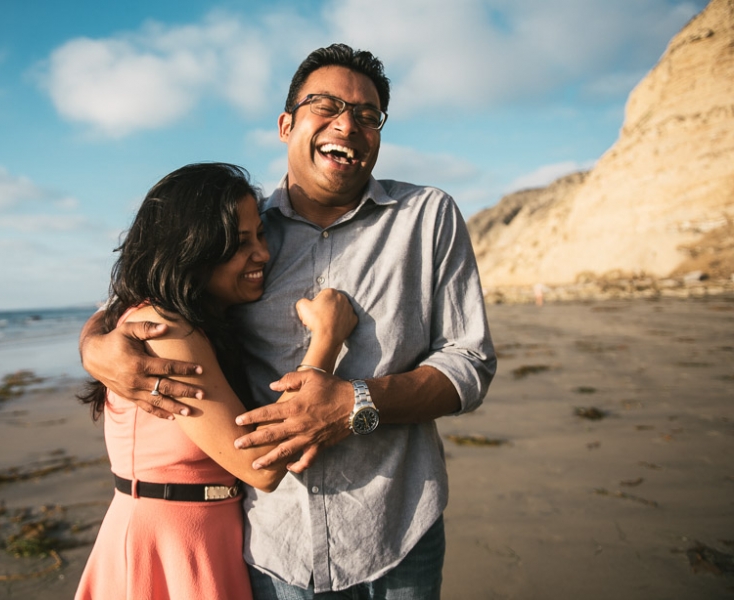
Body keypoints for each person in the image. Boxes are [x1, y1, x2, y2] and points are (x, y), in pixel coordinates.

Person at [80, 44, 497, 599]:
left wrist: (354, 404)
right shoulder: (241, 228)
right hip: (274, 546)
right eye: (326, 106)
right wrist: (95, 344)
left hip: (397, 530)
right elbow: (152, 293)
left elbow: (470, 361)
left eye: (368, 115)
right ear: (286, 125)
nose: (347, 125)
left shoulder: (426, 217)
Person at [74, 162, 357, 600]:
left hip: (206, 533)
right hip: (169, 543)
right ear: (192, 249)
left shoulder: (198, 321)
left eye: (260, 235)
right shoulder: (164, 328)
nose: (262, 254)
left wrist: (90, 338)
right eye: (239, 244)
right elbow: (259, 465)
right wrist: (327, 340)